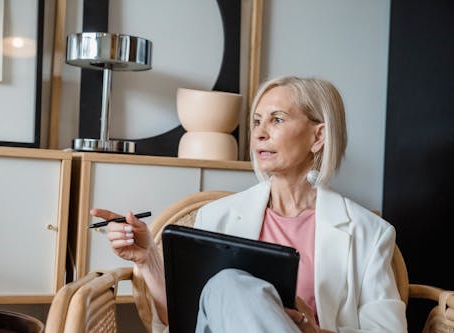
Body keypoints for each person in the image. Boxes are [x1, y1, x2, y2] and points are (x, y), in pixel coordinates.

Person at [90, 76, 407, 332]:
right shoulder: (216, 217)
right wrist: (148, 259)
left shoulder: (370, 233)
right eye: (257, 122)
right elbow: (186, 320)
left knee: (229, 281)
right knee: (229, 285)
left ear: (318, 136)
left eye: (277, 120)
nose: (259, 134)